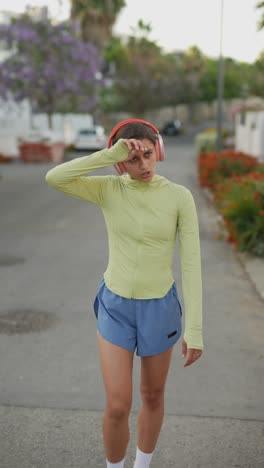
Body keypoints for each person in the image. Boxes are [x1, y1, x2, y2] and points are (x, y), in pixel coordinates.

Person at [45, 118, 204, 468]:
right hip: (115, 305)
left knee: (152, 395)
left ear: (158, 150)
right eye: (133, 159)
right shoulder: (109, 189)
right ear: (119, 161)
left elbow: (191, 264)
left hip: (160, 308)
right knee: (117, 404)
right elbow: (55, 177)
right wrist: (108, 154)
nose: (143, 165)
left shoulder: (179, 197)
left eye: (148, 154)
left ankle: (142, 465)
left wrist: (195, 328)